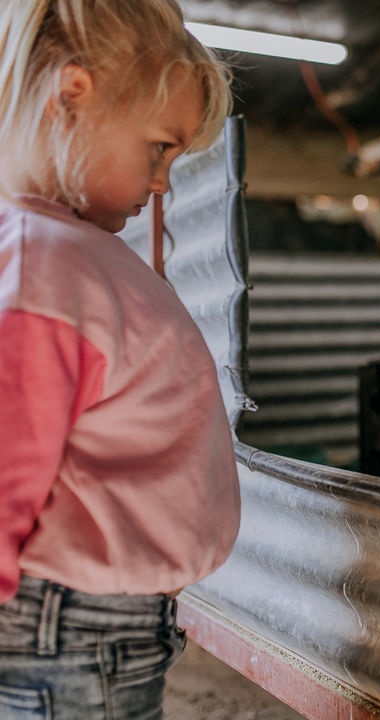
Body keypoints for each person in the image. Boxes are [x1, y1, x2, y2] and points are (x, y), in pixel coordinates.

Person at [0, 1, 241, 717]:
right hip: (66, 631)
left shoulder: (61, 256)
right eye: (159, 147)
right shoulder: (46, 267)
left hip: (87, 625)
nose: (163, 181)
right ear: (76, 96)